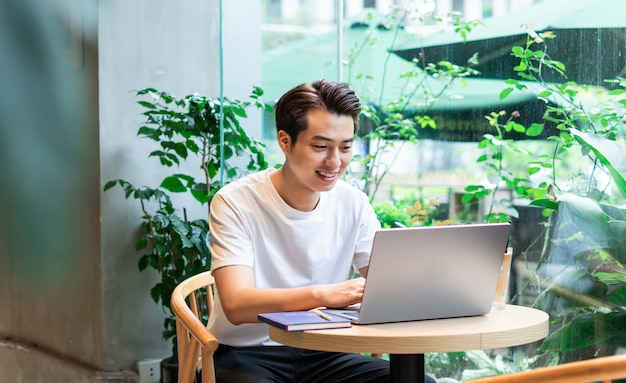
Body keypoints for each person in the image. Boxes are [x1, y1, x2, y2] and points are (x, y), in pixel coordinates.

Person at [207, 79, 436, 383]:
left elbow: (388, 285)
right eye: (320, 147)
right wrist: (326, 294)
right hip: (247, 352)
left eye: (345, 148)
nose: (334, 162)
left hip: (326, 350)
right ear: (284, 141)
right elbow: (237, 305)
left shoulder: (353, 203)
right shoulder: (236, 201)